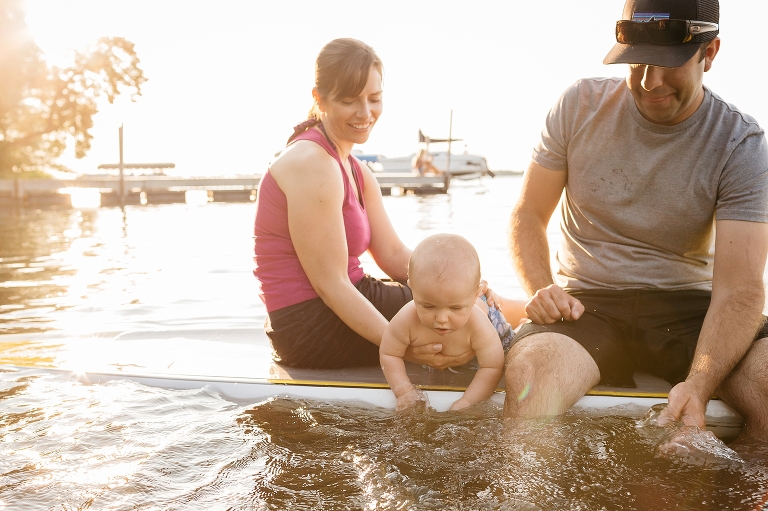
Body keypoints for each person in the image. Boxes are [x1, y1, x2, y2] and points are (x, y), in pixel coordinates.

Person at [505, 0, 768, 443]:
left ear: (710, 53)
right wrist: (540, 288)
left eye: (668, 64)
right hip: (586, 305)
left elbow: (739, 290)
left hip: (690, 311)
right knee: (532, 376)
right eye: (638, 64)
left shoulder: (740, 143)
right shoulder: (578, 105)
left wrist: (699, 386)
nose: (650, 82)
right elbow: (528, 214)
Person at [253, 38, 524, 370]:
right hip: (309, 325)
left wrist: (463, 284)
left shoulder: (356, 169)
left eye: (375, 99)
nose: (366, 113)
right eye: (350, 100)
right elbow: (332, 284)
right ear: (319, 98)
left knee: (466, 302)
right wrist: (400, 349)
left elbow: (394, 256)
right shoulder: (313, 162)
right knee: (467, 317)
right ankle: (530, 351)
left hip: (344, 299)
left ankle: (539, 317)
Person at [380, 234, 517, 411]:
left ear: (475, 294)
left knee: (512, 353)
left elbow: (492, 366)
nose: (442, 319)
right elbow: (389, 354)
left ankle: (517, 321)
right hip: (454, 342)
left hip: (494, 329)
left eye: (455, 308)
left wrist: (469, 400)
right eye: (428, 306)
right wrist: (404, 391)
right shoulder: (407, 319)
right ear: (412, 288)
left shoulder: (479, 325)